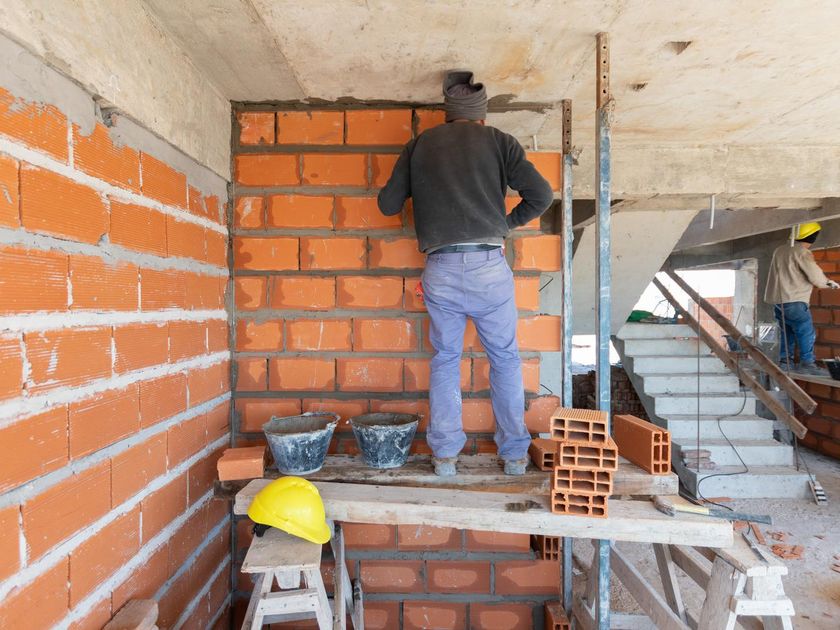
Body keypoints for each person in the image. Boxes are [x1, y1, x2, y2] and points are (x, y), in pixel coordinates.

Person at [377, 71, 553, 476]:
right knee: (505, 358)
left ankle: (444, 457)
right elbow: (541, 194)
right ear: (481, 116)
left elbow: (388, 205)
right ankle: (514, 456)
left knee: (445, 359)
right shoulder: (499, 142)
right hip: (489, 265)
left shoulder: (420, 144)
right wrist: (505, 224)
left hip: (440, 268)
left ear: (448, 114)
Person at [764, 222, 840, 375]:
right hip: (795, 300)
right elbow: (815, 275)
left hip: (779, 301)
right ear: (812, 237)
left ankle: (785, 362)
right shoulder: (801, 252)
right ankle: (807, 363)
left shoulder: (780, 250)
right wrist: (828, 283)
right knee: (806, 331)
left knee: (787, 332)